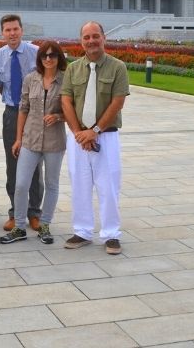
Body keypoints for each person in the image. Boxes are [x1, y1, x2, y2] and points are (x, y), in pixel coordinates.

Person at [60, 21, 130, 255]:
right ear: (81, 41)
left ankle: (111, 234)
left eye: (95, 36)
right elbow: (66, 101)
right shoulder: (73, 69)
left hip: (106, 137)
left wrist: (95, 131)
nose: (91, 41)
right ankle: (82, 231)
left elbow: (118, 102)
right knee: (79, 185)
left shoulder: (117, 67)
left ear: (104, 38)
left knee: (108, 186)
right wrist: (79, 133)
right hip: (78, 138)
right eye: (87, 37)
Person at [0, 40, 67, 245]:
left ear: (58, 58)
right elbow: (23, 109)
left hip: (55, 140)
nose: (48, 59)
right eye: (44, 56)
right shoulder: (31, 79)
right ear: (39, 59)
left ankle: (45, 225)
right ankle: (19, 226)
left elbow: (73, 109)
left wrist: (58, 116)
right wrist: (18, 139)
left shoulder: (66, 80)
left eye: (52, 55)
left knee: (51, 184)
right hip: (30, 138)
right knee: (21, 184)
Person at [0, 14, 41, 231]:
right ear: (2, 32)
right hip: (11, 114)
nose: (12, 33)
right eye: (7, 30)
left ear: (22, 30)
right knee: (13, 163)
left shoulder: (36, 53)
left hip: (35, 115)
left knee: (36, 165)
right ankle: (15, 211)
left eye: (15, 29)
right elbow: (0, 85)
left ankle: (34, 212)